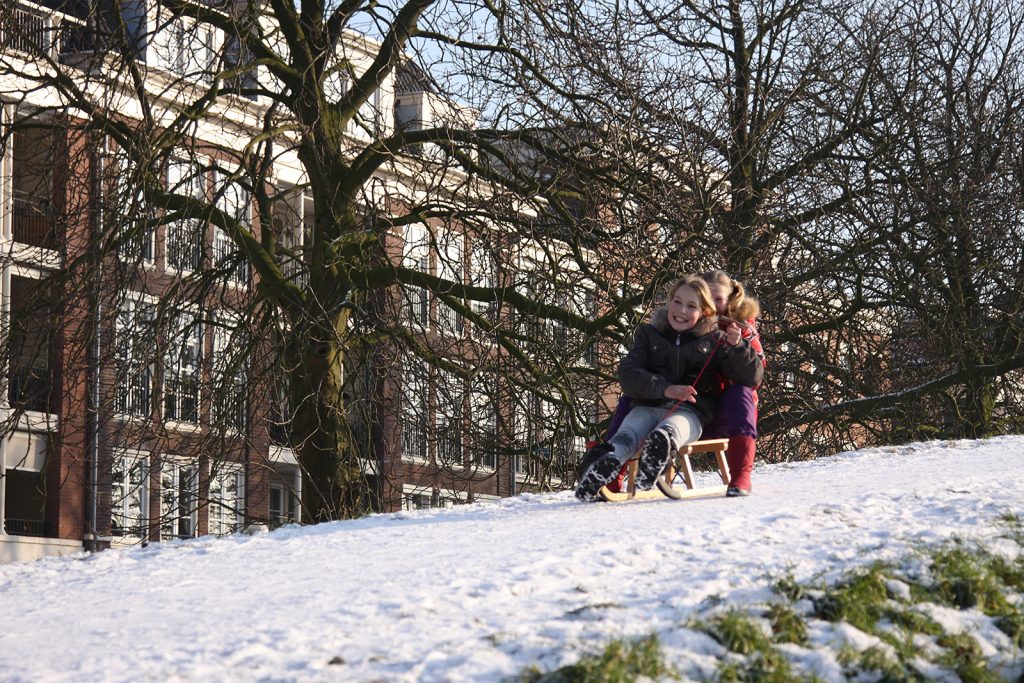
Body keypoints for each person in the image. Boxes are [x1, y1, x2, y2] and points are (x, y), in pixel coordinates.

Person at [575, 275, 764, 501]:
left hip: (697, 411)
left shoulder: (721, 337)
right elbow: (628, 371)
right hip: (650, 405)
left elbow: (752, 376)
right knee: (627, 429)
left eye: (693, 305)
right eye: (677, 301)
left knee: (671, 429)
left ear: (707, 310)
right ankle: (606, 468)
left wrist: (737, 346)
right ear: (669, 301)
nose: (682, 310)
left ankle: (659, 455)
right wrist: (664, 388)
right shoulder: (651, 334)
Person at [699, 270, 765, 496]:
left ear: (730, 300)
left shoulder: (742, 330)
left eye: (718, 299)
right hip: (693, 405)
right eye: (706, 298)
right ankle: (611, 474)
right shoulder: (684, 323)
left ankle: (741, 475)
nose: (713, 305)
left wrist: (736, 347)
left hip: (729, 412)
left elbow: (754, 377)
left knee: (742, 393)